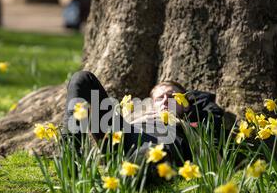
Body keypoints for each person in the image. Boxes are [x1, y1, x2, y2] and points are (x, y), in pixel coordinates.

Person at [62, 70, 224, 170]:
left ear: (186, 105)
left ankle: (130, 171)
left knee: (147, 154)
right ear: (151, 104)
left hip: (162, 145)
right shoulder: (135, 113)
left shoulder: (192, 123)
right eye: (160, 98)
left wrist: (187, 105)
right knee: (82, 78)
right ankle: (71, 157)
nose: (166, 100)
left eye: (173, 97)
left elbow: (212, 115)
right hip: (125, 135)